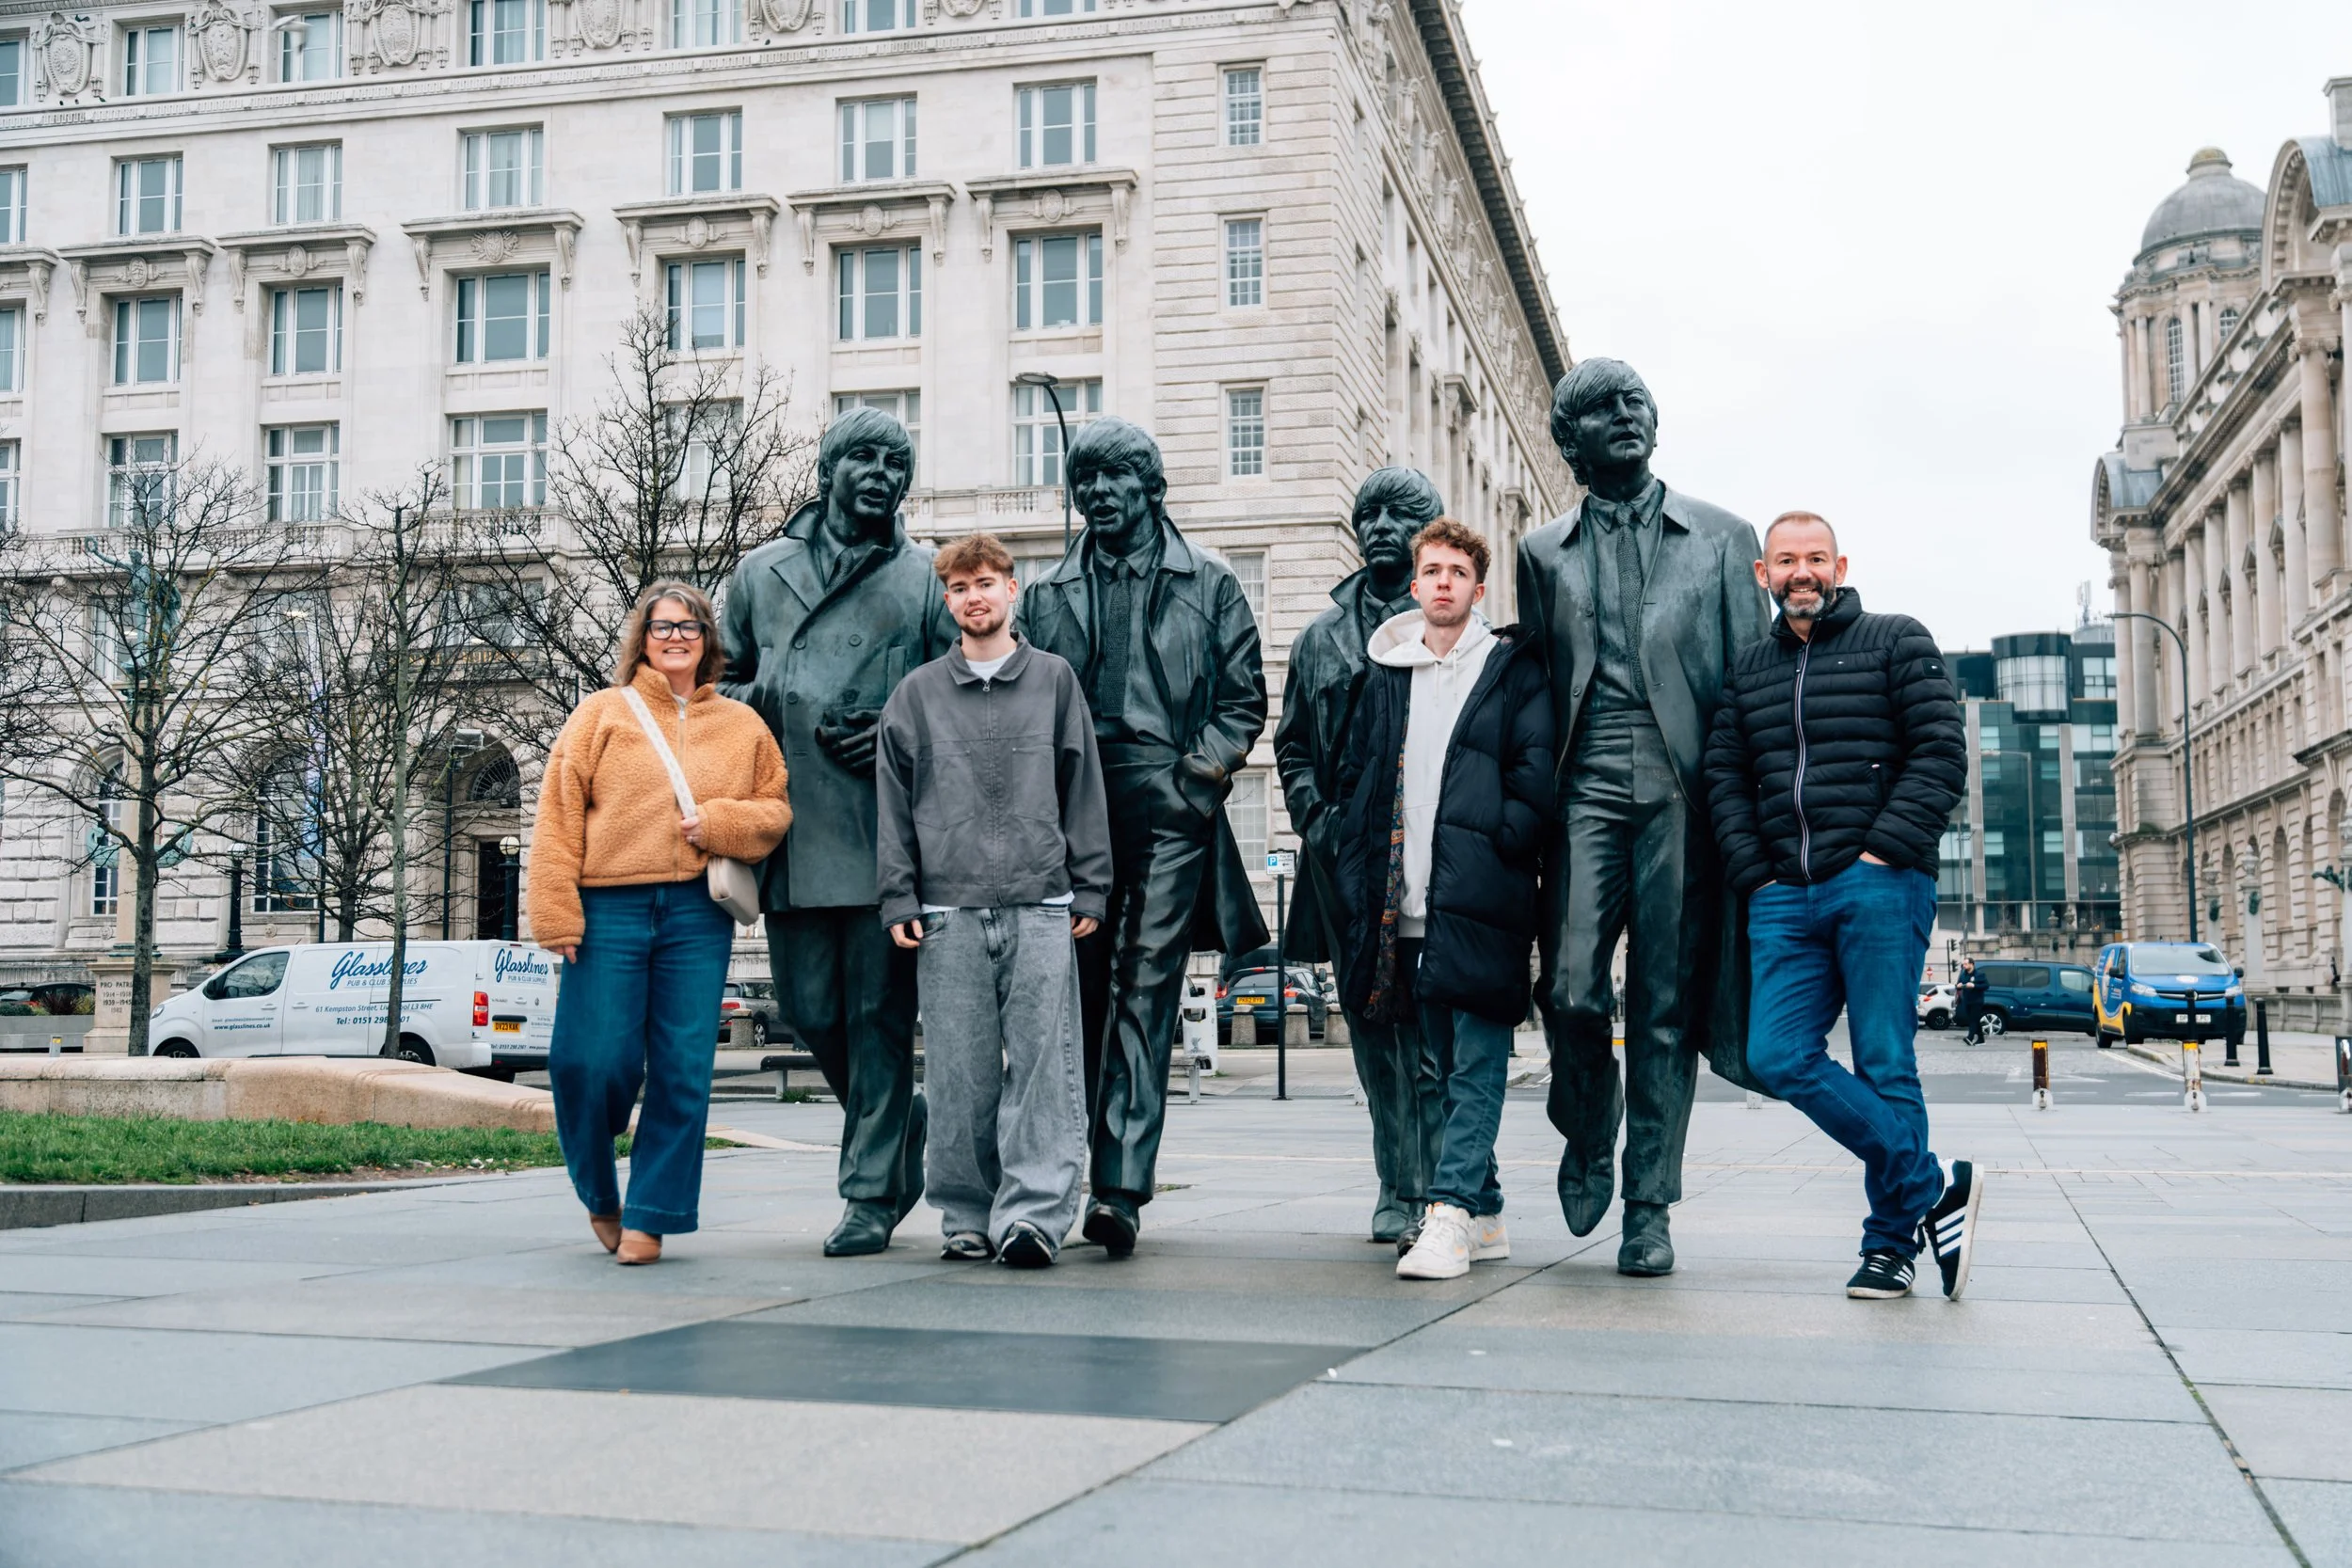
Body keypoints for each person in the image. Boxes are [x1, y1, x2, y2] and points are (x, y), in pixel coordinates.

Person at [1515, 358, 1771, 1277]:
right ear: (1569, 440)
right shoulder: (1540, 553)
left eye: (1633, 402)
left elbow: (1753, 692)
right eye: (1597, 407)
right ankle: (1587, 1124)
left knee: (1665, 1005)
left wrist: (1757, 822)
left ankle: (1648, 1204)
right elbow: (1535, 685)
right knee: (1572, 987)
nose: (1621, 416)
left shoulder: (1721, 538)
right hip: (1582, 788)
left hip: (1682, 793)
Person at [1702, 512, 1981, 1300]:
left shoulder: (1896, 639)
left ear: (1840, 564)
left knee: (1885, 1059)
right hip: (1782, 894)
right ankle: (1930, 1186)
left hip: (1879, 882)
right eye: (1786, 560)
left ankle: (1889, 1248)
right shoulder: (1749, 668)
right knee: (1777, 1054)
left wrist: (1879, 850)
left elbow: (1939, 754)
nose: (1803, 572)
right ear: (1764, 574)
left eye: (1815, 559)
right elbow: (1724, 777)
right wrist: (1755, 873)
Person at [1017, 418, 1268, 1259]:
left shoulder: (1213, 583)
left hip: (1169, 805)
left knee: (1143, 986)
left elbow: (1242, 702)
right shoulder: (1046, 594)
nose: (1095, 493)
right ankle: (1072, 1167)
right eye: (1083, 479)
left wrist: (1195, 778)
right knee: (1075, 994)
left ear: (1150, 487)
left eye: (1113, 477)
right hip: (1073, 809)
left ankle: (1119, 1188)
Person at [721, 407, 955, 1258]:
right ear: (827, 471)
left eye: (896, 463)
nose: (881, 474)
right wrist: (773, 703)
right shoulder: (760, 570)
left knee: (880, 1014)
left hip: (883, 828)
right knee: (809, 1007)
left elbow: (960, 686)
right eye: (863, 457)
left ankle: (867, 1193)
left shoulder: (926, 578)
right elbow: (721, 681)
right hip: (792, 823)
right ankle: (900, 1123)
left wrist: (900, 720)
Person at [532, 582, 791, 1265]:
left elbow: (774, 811)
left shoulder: (742, 725)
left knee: (682, 1069)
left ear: (708, 640)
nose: (676, 637)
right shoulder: (601, 714)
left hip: (696, 912)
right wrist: (555, 909)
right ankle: (599, 1191)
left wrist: (720, 822)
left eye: (690, 627)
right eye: (662, 626)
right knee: (589, 1062)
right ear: (641, 638)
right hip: (607, 907)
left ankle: (652, 1212)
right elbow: (558, 816)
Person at [875, 533, 1113, 1268]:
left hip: (1042, 902)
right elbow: (891, 801)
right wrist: (899, 895)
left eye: (987, 582)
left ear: (1013, 590)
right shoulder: (915, 695)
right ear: (947, 601)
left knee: (1046, 1068)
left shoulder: (1054, 680)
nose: (974, 596)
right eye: (960, 586)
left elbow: (1083, 786)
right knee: (957, 1073)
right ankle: (967, 1214)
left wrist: (1092, 884)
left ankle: (1035, 1216)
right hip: (947, 910)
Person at [1335, 519, 1554, 1280]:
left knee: (1478, 1060)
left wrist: (1505, 839)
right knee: (1434, 1064)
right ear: (1415, 583)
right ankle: (1487, 1211)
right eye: (1431, 570)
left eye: (1457, 571)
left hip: (1485, 892)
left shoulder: (1508, 668)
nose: (1442, 582)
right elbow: (1357, 771)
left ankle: (1451, 1208)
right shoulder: (1386, 671)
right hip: (1406, 901)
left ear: (1478, 588)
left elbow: (1536, 771)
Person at [1276, 467, 1449, 1247]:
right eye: (1368, 514)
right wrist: (1318, 819)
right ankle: (1396, 1181)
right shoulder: (1321, 636)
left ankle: (1444, 1184)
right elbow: (1292, 747)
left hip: (1438, 853)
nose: (1380, 526)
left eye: (1399, 514)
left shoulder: (1456, 622)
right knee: (1373, 1028)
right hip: (1347, 856)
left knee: (1435, 1030)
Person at [1954, 958, 1986, 1045]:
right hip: (1967, 1001)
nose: (1964, 966)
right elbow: (1957, 986)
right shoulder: (1963, 975)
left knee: (1973, 1019)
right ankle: (1981, 1040)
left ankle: (1970, 1038)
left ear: (1972, 964)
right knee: (1975, 1020)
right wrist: (1958, 986)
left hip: (1977, 1001)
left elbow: (1986, 985)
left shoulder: (1979, 974)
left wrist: (1974, 985)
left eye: (1966, 964)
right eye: (1963, 964)